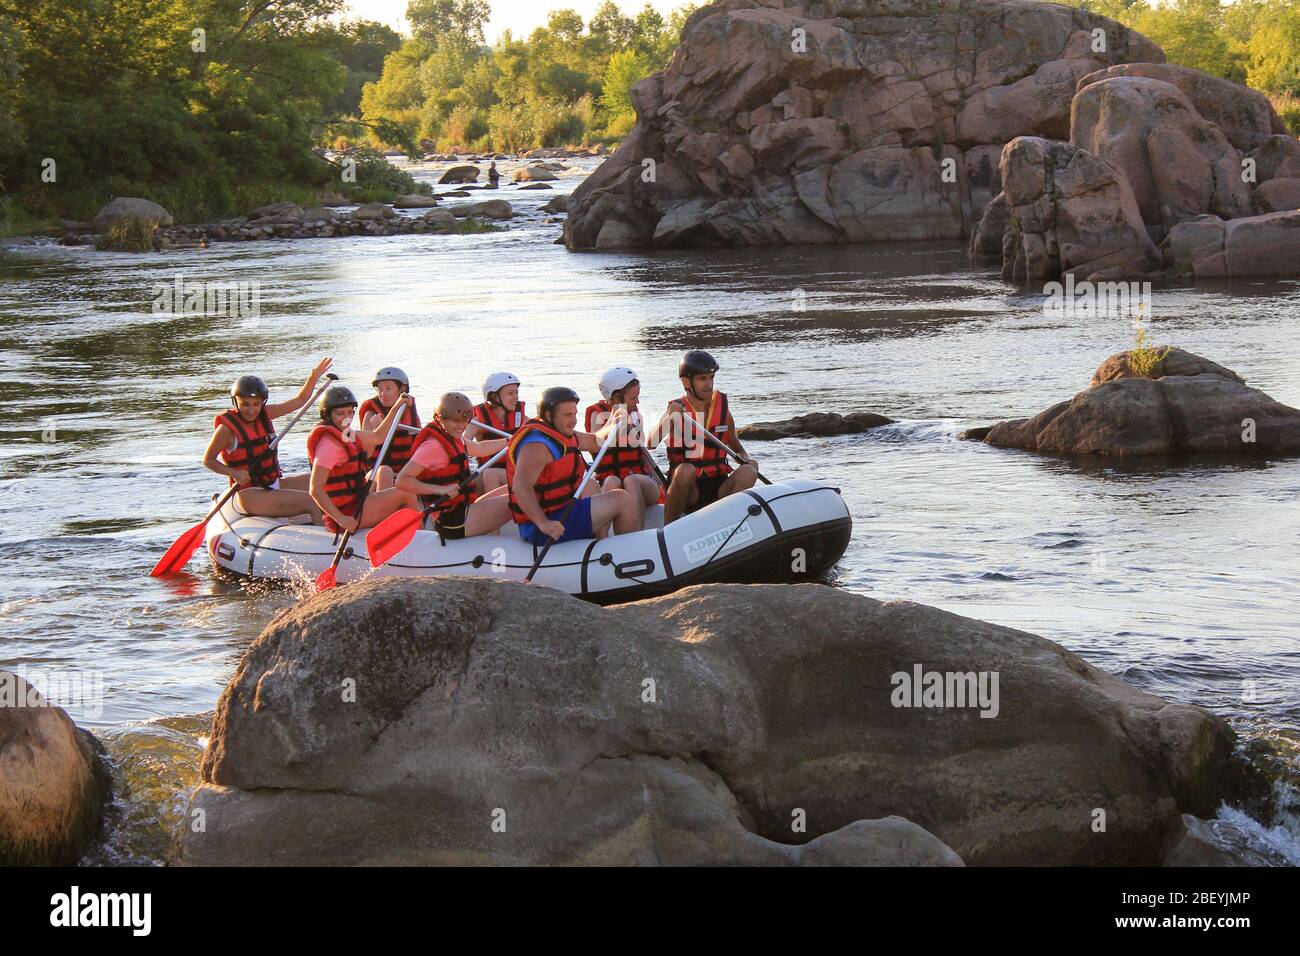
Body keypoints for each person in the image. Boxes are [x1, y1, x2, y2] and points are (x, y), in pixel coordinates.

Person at [507, 386, 643, 545]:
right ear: (549, 415)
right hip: (544, 527)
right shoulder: (536, 446)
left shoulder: (560, 432)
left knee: (590, 484)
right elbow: (521, 486)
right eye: (567, 415)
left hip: (562, 511)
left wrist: (613, 424)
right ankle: (627, 553)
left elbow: (594, 442)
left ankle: (601, 545)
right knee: (622, 499)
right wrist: (543, 523)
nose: (573, 420)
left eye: (574, 414)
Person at [202, 358, 333, 521]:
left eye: (256, 404)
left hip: (272, 483)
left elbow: (298, 401)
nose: (251, 410)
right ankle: (326, 540)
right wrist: (233, 473)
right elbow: (208, 460)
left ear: (262, 402)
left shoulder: (266, 414)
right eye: (245, 404)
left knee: (327, 482)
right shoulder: (226, 430)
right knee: (311, 501)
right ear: (236, 402)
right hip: (249, 494)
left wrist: (313, 377)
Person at [660, 349, 759, 524]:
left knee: (751, 467)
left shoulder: (723, 412)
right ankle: (667, 529)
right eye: (702, 379)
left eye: (711, 378)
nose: (708, 384)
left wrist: (744, 457)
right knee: (685, 470)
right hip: (689, 490)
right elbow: (651, 442)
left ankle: (730, 524)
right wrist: (669, 418)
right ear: (686, 382)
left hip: (718, 487)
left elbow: (736, 447)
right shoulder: (676, 409)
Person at [395, 392, 511, 539]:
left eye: (465, 421)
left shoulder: (454, 439)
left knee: (515, 487)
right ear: (439, 418)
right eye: (455, 421)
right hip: (451, 522)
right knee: (517, 496)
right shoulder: (433, 446)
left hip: (464, 508)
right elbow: (402, 480)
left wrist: (511, 440)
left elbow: (480, 449)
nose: (461, 426)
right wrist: (441, 490)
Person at [307, 385, 418, 534]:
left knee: (383, 471)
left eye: (349, 412)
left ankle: (384, 526)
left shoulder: (345, 434)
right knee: (407, 493)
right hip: (346, 514)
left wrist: (397, 406)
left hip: (354, 501)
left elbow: (378, 437)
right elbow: (315, 489)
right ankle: (419, 538)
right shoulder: (329, 445)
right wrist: (341, 519)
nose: (346, 418)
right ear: (328, 415)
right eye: (340, 413)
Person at [584, 366, 661, 509]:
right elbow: (595, 445)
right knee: (612, 481)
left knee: (631, 481)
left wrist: (663, 484)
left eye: (637, 396)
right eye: (633, 397)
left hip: (641, 480)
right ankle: (606, 528)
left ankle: (637, 528)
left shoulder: (635, 415)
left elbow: (643, 455)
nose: (637, 402)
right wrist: (613, 420)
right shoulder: (597, 414)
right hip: (610, 481)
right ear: (617, 397)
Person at [359, 367, 421, 474]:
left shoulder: (408, 409)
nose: (383, 394)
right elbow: (366, 454)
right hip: (377, 471)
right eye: (380, 389)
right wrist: (376, 430)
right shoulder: (371, 414)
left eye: (388, 389)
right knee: (384, 472)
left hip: (405, 471)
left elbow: (420, 440)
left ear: (402, 389)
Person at [473, 372, 526, 438]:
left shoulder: (522, 418)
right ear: (494, 396)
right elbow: (463, 443)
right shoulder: (477, 422)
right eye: (510, 393)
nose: (516, 397)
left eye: (516, 392)